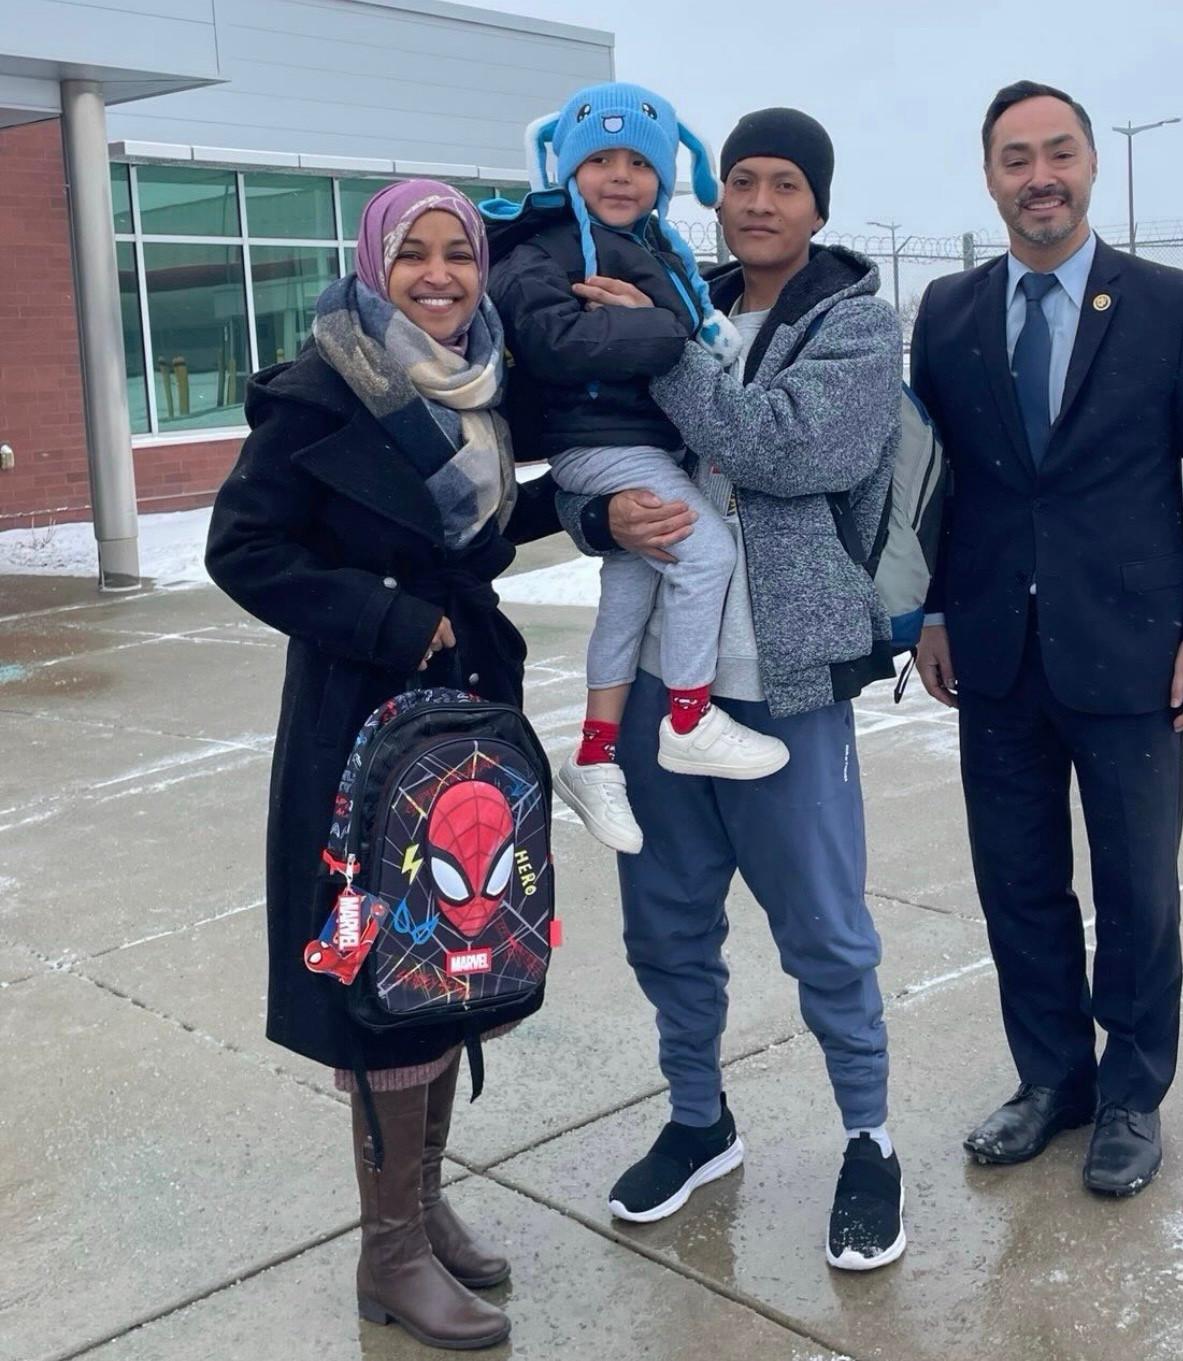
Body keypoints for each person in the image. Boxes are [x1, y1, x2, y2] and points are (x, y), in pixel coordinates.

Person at [206, 181, 570, 1350]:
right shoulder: (322, 389)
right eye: (414, 254)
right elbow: (243, 549)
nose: (439, 275)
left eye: (458, 252)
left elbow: (476, 527)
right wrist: (393, 620)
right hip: (362, 725)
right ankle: (390, 1251)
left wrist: (593, 506)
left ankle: (419, 1202)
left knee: (451, 959)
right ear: (374, 264)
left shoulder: (480, 384)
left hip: (466, 712)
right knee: (383, 970)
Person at [563, 108, 908, 1269]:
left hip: (785, 686)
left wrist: (660, 343)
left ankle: (869, 1136)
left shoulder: (855, 324)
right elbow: (590, 441)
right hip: (660, 684)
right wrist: (596, 513)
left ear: (818, 205)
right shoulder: (676, 296)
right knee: (665, 925)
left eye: (785, 185)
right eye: (742, 181)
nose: (759, 202)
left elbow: (789, 448)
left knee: (824, 930)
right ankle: (698, 1118)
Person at [911, 82, 1183, 1196]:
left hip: (1134, 649)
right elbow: (934, 486)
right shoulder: (948, 312)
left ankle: (1132, 1093)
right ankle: (1052, 1078)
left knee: (1138, 890)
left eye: (1058, 152)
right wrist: (935, 613)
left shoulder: (1173, 304)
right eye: (1016, 158)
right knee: (1018, 882)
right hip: (995, 654)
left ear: (1091, 165)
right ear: (990, 177)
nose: (1040, 176)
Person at [490, 82, 790, 858]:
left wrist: (658, 324)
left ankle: (594, 755)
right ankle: (688, 718)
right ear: (567, 168)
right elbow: (555, 342)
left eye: (640, 163)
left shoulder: (650, 245)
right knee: (707, 552)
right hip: (600, 440)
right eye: (600, 160)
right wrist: (660, 332)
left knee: (630, 589)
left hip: (630, 441)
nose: (621, 176)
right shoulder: (545, 246)